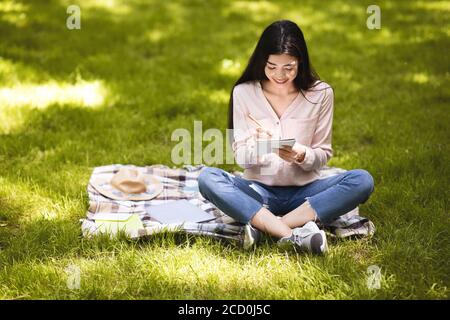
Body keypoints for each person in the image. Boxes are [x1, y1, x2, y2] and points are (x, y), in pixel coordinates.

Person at [198, 20, 374, 255]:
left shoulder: (321, 94)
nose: (279, 75)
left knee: (362, 180)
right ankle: (293, 234)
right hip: (258, 191)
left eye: (288, 68)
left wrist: (302, 154)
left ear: (300, 62)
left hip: (307, 193)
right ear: (262, 61)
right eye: (271, 67)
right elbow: (241, 158)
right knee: (207, 178)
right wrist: (265, 147)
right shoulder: (244, 92)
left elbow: (324, 153)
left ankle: (268, 226)